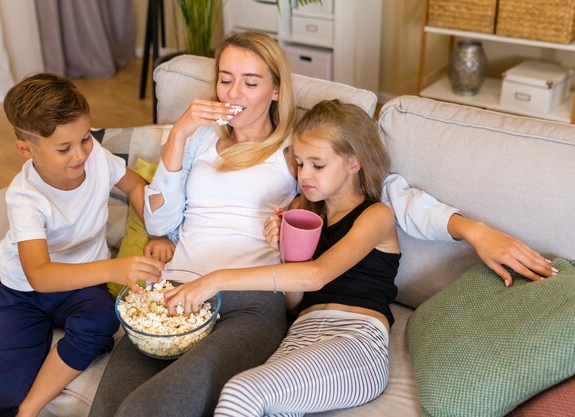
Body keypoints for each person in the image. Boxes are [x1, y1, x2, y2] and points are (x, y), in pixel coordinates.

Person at [89, 31, 555, 417]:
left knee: (154, 406)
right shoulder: (197, 140)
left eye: (251, 82)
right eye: (226, 80)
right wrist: (179, 140)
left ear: (276, 89)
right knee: (110, 403)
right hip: (180, 289)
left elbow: (380, 192)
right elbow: (160, 218)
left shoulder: (297, 149)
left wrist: (472, 229)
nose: (233, 94)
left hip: (249, 300)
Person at [164, 99, 398, 416]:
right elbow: (293, 302)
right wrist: (286, 252)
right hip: (299, 335)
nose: (304, 175)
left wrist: (215, 280)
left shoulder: (376, 216)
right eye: (299, 164)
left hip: (356, 340)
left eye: (318, 165)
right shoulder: (302, 210)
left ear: (353, 162)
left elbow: (318, 275)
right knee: (259, 405)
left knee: (241, 393)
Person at [0, 73, 164, 417]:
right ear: (26, 148)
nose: (81, 155)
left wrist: (158, 232)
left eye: (86, 138)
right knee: (0, 387)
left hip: (82, 285)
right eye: (64, 148)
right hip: (23, 294)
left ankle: (29, 408)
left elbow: (136, 188)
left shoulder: (97, 158)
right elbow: (40, 276)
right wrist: (113, 268)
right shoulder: (25, 197)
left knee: (103, 321)